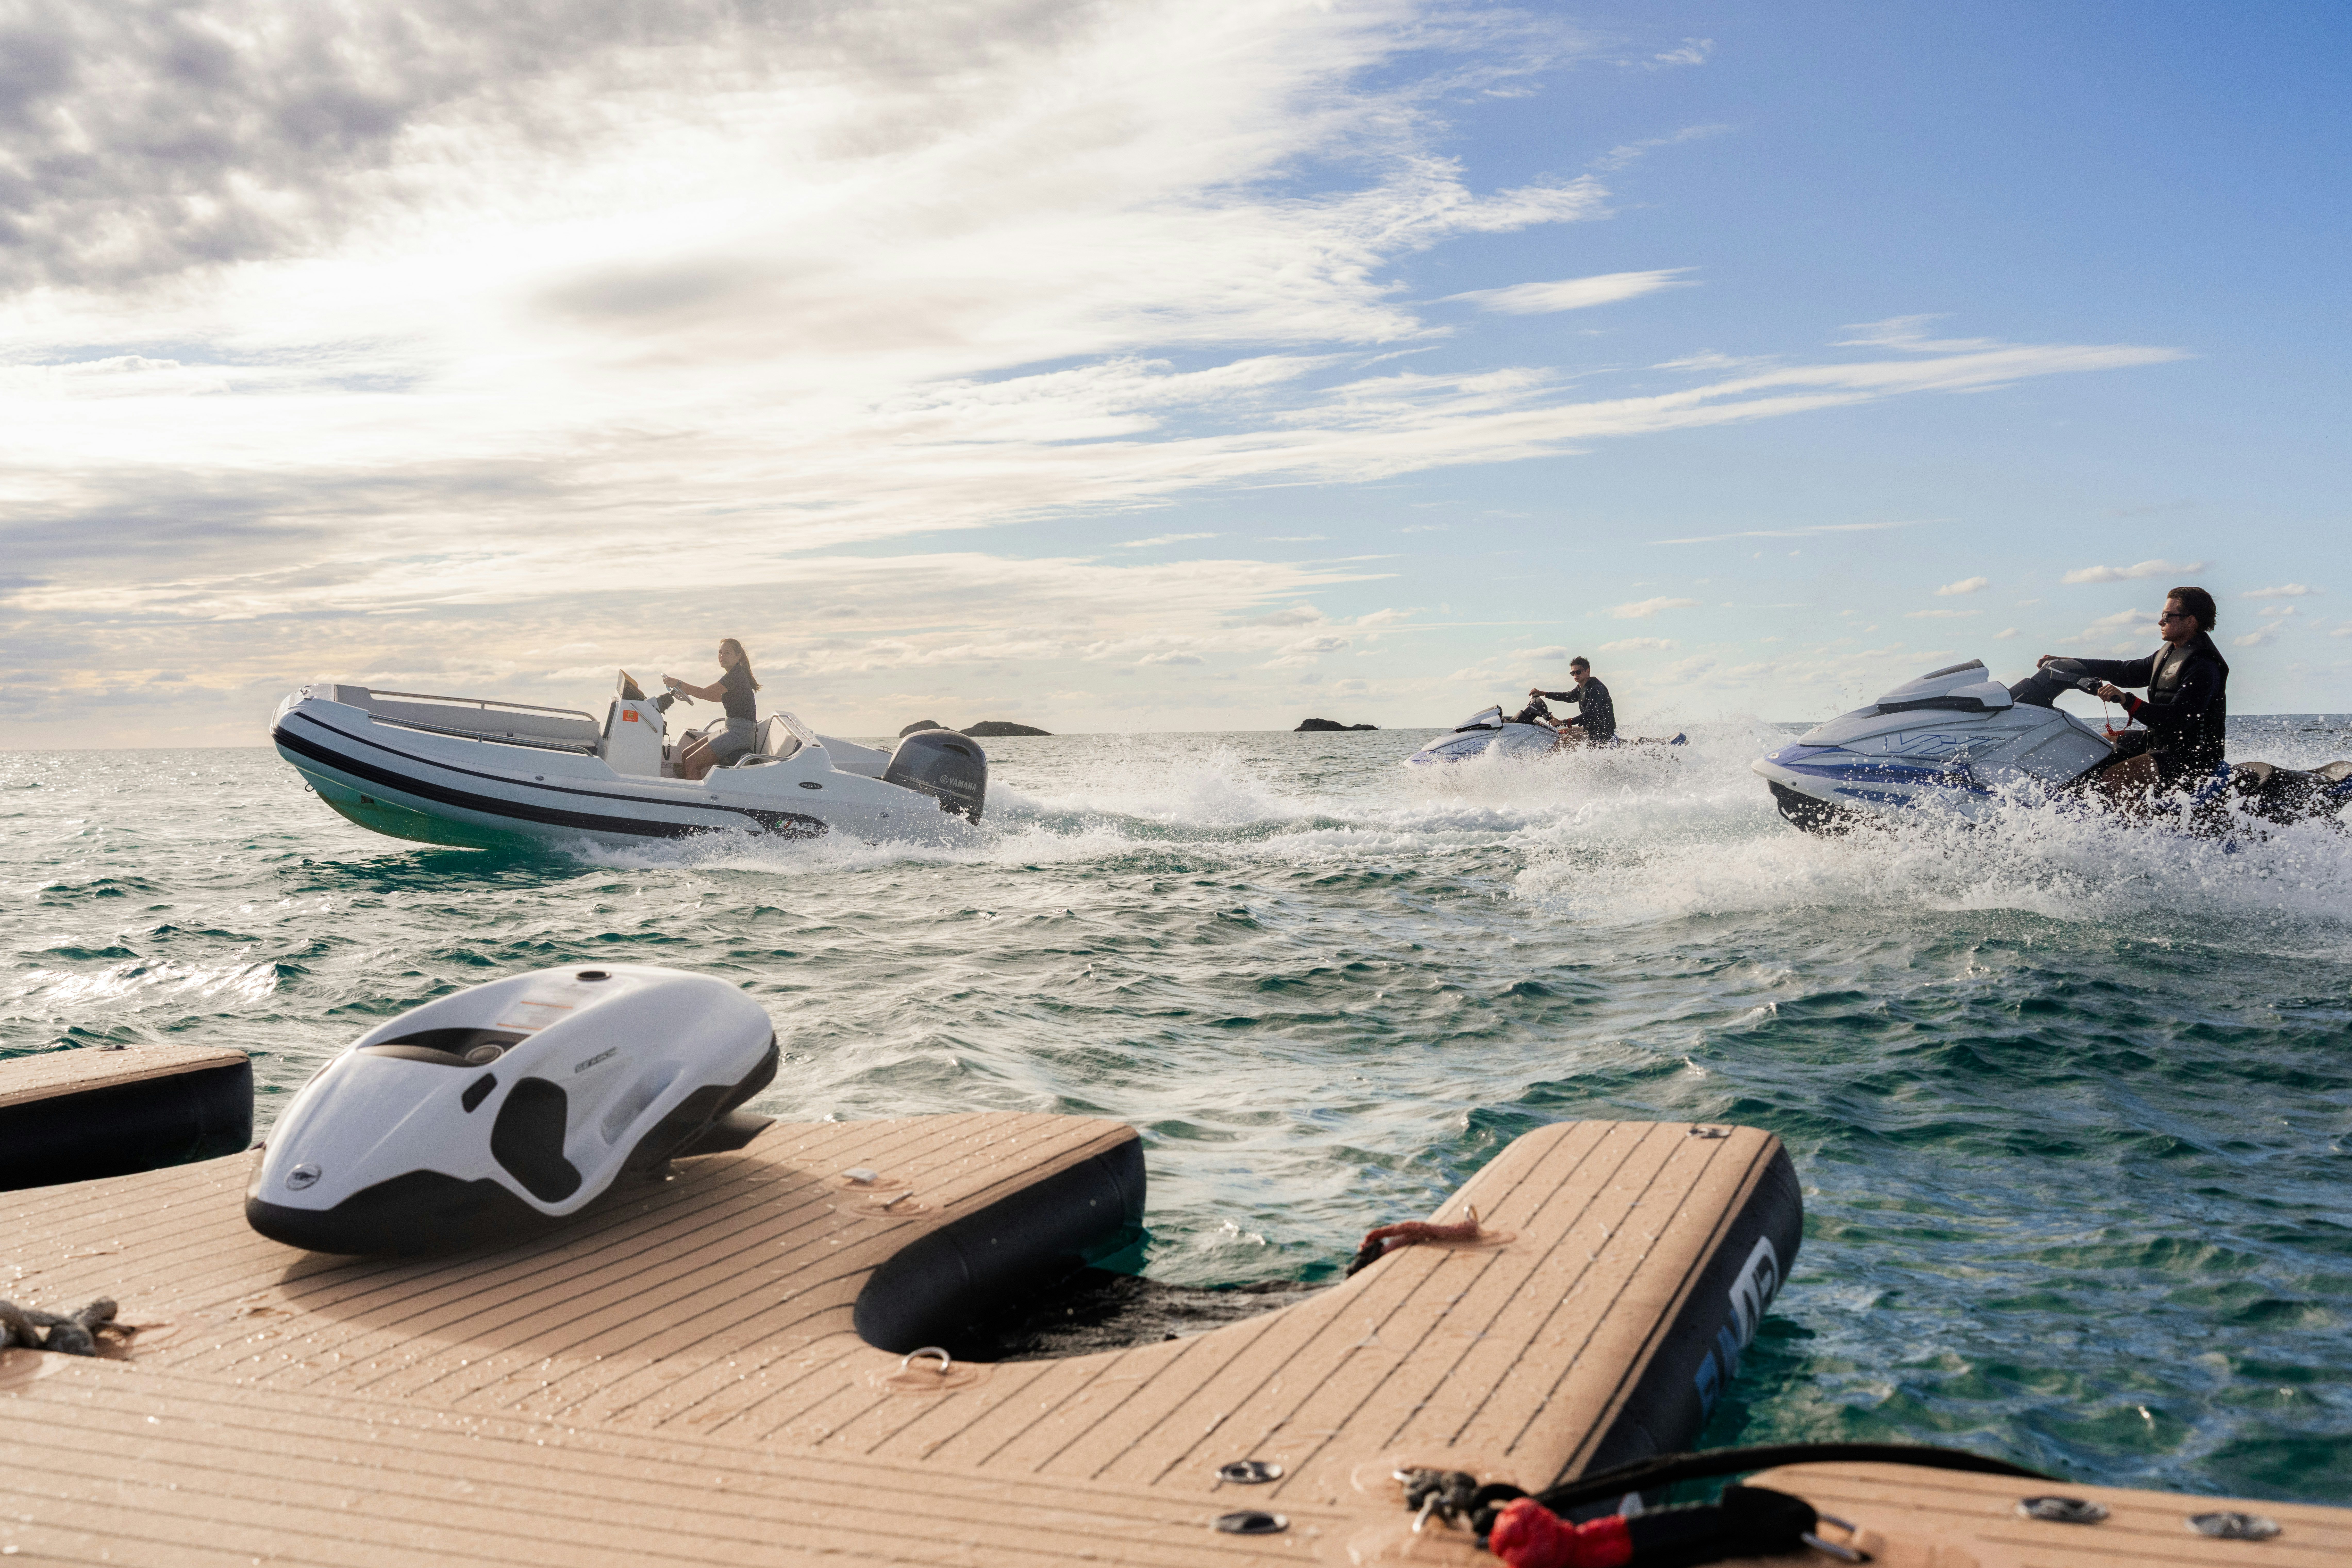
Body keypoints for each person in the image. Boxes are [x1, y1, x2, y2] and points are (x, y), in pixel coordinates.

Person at [2007, 585, 2229, 803]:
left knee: (2114, 778)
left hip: (2193, 758)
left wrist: (2127, 701)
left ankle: (2138, 834)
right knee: (2089, 745)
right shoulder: (2170, 652)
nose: (2161, 622)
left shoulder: (2203, 665)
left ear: (2191, 621)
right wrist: (2071, 663)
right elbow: (2124, 671)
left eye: (2167, 616)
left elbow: (2179, 718)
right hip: (2159, 742)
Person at [664, 638, 762, 781]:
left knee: (692, 763)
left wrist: (679, 684)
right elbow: (717, 697)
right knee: (686, 754)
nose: (722, 657)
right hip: (732, 728)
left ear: (738, 656)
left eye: (727, 653)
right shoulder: (733, 675)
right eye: (720, 653)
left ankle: (695, 800)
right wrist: (688, 691)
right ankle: (687, 792)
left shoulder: (735, 676)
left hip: (740, 733)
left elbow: (705, 693)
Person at [1524, 657, 1616, 745]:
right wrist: (1543, 694)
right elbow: (1567, 697)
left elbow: (1589, 715)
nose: (1576, 675)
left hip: (1602, 733)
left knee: (1560, 744)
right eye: (1573, 673)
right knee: (1560, 733)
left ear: (1588, 671)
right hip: (1591, 729)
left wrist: (1563, 722)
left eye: (1578, 672)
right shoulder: (1581, 687)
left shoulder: (1596, 689)